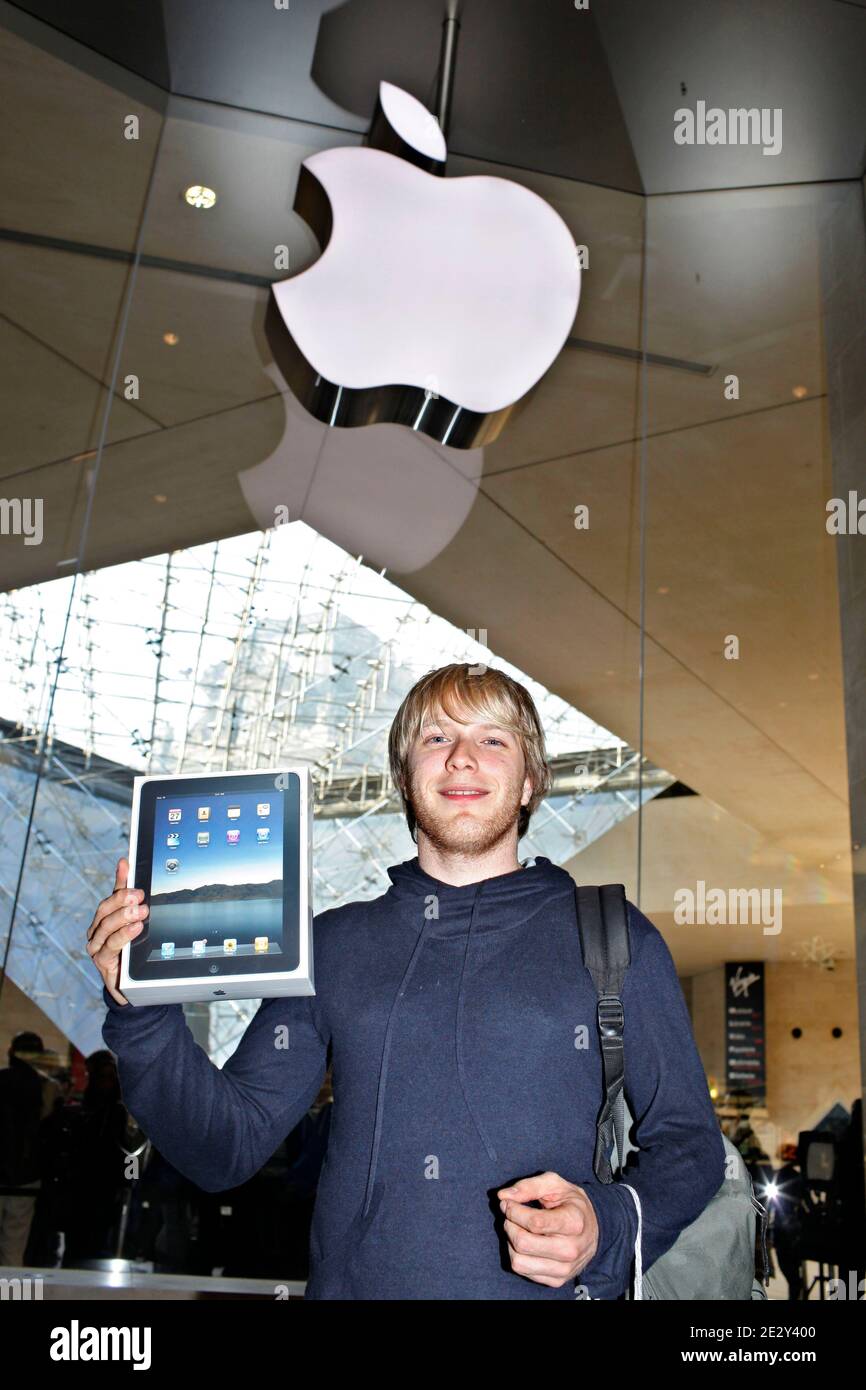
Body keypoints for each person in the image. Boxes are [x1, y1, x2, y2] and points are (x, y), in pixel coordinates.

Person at [89, 662, 725, 1300]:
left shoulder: (614, 937)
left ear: (531, 782)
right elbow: (225, 1147)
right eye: (436, 739)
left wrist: (603, 1223)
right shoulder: (334, 944)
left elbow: (690, 1144)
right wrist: (139, 1008)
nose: (461, 759)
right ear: (405, 776)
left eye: (493, 740)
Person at [0, 1031, 61, 1266]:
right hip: (28, 1176)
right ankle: (12, 1294)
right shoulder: (47, 1087)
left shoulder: (1, 1080)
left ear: (11, 1052)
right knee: (14, 1243)